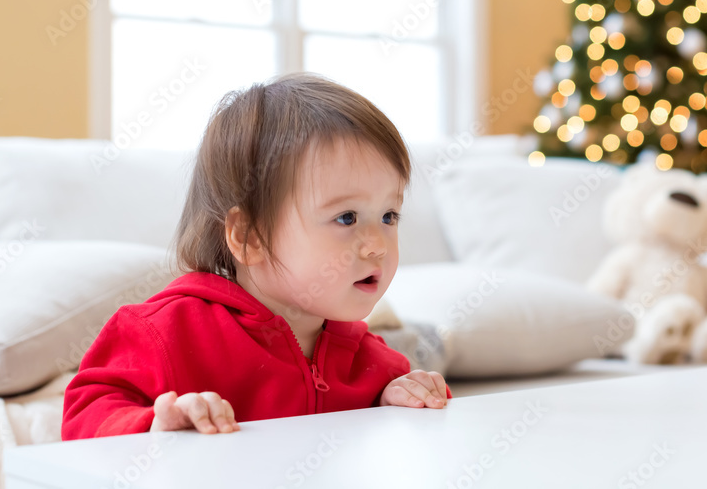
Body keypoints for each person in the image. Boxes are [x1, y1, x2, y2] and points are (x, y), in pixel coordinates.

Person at [62, 73, 449, 439]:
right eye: (346, 217)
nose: (377, 244)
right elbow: (83, 417)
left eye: (388, 216)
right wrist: (153, 426)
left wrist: (397, 404)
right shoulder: (165, 333)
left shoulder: (377, 365)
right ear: (248, 236)